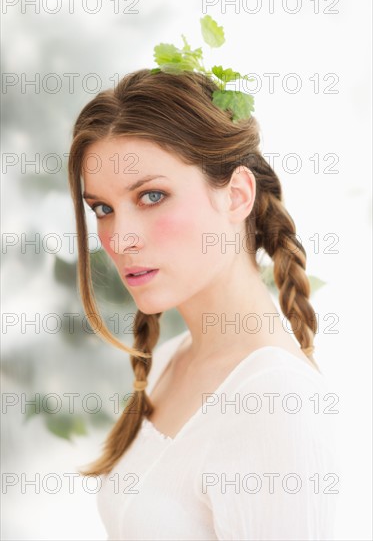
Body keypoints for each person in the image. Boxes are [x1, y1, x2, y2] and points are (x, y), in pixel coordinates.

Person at [68, 68, 339, 540]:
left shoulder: (275, 402)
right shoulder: (173, 359)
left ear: (237, 195)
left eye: (152, 196)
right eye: (103, 209)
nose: (120, 239)